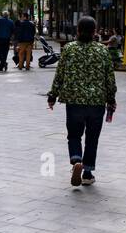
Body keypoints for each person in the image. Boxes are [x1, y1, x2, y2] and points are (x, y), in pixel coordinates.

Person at [47, 16, 117, 187]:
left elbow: (60, 75)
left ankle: (76, 159)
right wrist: (111, 98)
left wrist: (52, 96)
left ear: (77, 31)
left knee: (74, 135)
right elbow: (110, 78)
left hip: (74, 101)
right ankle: (87, 173)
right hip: (97, 102)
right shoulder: (102, 51)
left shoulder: (69, 49)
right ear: (95, 32)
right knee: (92, 138)